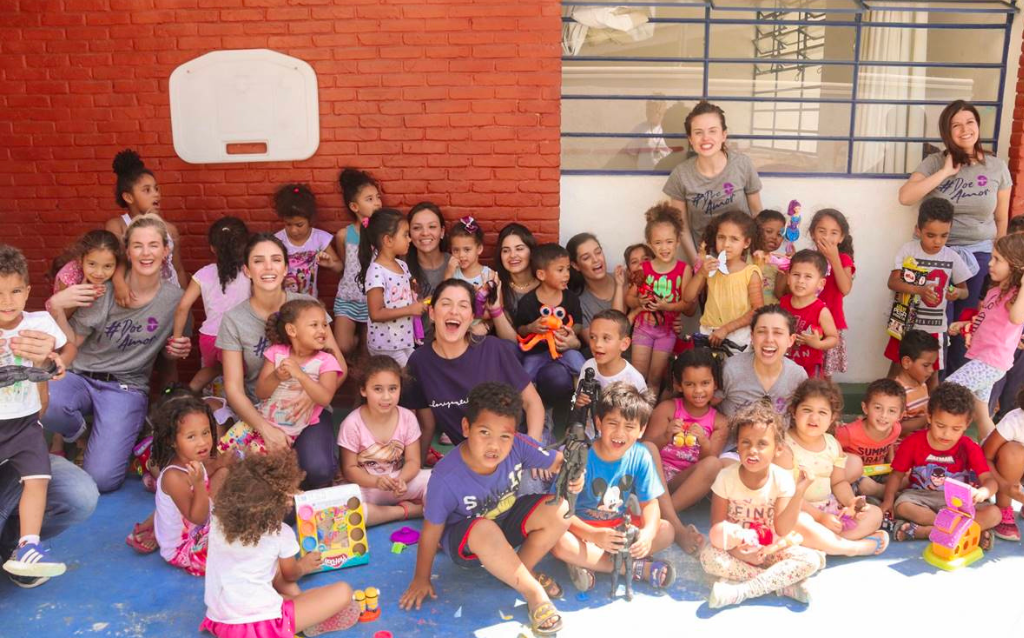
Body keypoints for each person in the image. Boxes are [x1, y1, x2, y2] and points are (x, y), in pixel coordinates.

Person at [398, 383, 579, 637]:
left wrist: (574, 474)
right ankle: (534, 593)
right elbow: (430, 531)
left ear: (514, 434)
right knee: (483, 528)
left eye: (504, 436)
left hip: (504, 523)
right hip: (468, 542)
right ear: (465, 428)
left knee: (560, 508)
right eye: (484, 432)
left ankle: (520, 572)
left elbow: (559, 463)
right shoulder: (445, 477)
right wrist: (421, 578)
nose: (494, 445)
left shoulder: (519, 445)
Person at [43, 214, 189, 493]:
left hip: (126, 387)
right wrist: (56, 308)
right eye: (138, 245)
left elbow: (171, 354)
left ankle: (109, 433)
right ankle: (81, 433)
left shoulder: (175, 300)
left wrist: (178, 350)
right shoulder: (104, 291)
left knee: (102, 481)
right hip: (81, 377)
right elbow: (73, 341)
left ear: (166, 250)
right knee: (46, 400)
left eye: (153, 245)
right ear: (128, 251)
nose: (146, 253)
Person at [217, 234, 345, 488]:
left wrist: (312, 397)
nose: (268, 268)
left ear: (286, 268)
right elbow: (233, 389)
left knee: (317, 471)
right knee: (242, 472)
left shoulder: (307, 307)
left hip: (309, 414)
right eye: (258, 261)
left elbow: (339, 366)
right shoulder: (234, 319)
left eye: (276, 260)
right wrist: (266, 429)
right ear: (247, 270)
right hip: (264, 412)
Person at [898, 100, 1012, 372]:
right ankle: (932, 386)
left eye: (969, 122)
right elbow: (905, 196)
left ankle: (956, 390)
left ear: (978, 126)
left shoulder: (996, 167)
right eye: (956, 125)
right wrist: (945, 172)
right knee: (932, 326)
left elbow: (1001, 219)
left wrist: (1002, 259)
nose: (964, 130)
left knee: (968, 323)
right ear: (946, 132)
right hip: (936, 255)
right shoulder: (935, 162)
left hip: (980, 256)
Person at [201, 451, 359, 638]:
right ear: (279, 502)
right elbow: (290, 573)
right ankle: (306, 619)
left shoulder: (217, 521)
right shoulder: (280, 532)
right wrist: (304, 565)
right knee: (343, 592)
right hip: (266, 625)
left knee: (278, 581)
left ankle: (301, 608)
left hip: (222, 622)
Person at [553, 382, 676, 593]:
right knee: (558, 541)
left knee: (666, 530)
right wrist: (593, 535)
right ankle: (633, 567)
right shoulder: (581, 455)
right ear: (599, 423)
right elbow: (558, 511)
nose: (620, 433)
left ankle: (590, 562)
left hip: (619, 527)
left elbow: (650, 504)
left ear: (641, 430)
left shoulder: (641, 455)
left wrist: (647, 534)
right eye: (613, 423)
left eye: (629, 426)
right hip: (581, 529)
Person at [404, 279, 544, 463]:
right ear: (431, 312)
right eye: (446, 304)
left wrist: (533, 450)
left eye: (463, 306)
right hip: (473, 458)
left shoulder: (493, 349)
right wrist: (416, 468)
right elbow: (425, 424)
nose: (454, 311)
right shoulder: (420, 361)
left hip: (521, 440)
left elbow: (533, 403)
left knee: (526, 487)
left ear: (471, 317)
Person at [700, 400, 822, 609]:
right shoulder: (726, 477)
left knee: (811, 559)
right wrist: (738, 551)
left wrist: (799, 491)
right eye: (745, 442)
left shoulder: (782, 479)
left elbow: (783, 529)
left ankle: (741, 591)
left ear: (778, 449)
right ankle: (781, 585)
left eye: (762, 444)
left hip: (771, 550)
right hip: (736, 551)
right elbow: (717, 530)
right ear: (736, 445)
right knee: (708, 558)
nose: (752, 450)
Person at [0, 245, 67, 579]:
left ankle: (28, 544)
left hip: (26, 421)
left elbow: (62, 351)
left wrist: (55, 361)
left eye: (14, 291)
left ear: (27, 291)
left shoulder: (39, 322)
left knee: (38, 479)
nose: (7, 301)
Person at [777, 380, 889, 557]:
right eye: (807, 410)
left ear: (832, 417)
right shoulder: (784, 447)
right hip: (797, 510)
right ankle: (850, 547)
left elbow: (838, 482)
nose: (814, 418)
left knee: (875, 513)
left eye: (822, 412)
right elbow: (787, 494)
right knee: (799, 522)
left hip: (828, 509)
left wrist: (851, 503)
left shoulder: (832, 444)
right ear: (793, 411)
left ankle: (824, 543)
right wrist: (819, 518)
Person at [880, 382, 999, 545]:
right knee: (903, 506)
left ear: (967, 423)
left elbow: (989, 480)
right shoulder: (912, 442)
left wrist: (984, 491)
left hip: (957, 503)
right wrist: (888, 500)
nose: (946, 434)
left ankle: (925, 531)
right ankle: (964, 532)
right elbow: (896, 475)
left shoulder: (969, 447)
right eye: (940, 425)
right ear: (929, 417)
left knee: (994, 513)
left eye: (956, 429)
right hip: (921, 497)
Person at [45, 230, 123, 457]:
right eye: (92, 265)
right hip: (62, 324)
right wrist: (76, 299)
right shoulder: (68, 277)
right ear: (81, 261)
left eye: (107, 267)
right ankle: (61, 440)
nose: (99, 272)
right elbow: (59, 318)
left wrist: (117, 283)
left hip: (90, 336)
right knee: (61, 369)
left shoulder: (112, 277)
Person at [662, 100, 763, 265]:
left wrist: (755, 255)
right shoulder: (681, 175)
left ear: (723, 135)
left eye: (712, 131)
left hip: (742, 260)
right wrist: (697, 261)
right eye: (698, 132)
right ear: (690, 139)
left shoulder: (742, 165)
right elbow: (682, 227)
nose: (705, 138)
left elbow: (757, 212)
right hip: (706, 261)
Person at [946, 232, 1024, 439]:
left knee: (948, 391)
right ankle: (989, 452)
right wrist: (964, 324)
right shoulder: (994, 292)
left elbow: (1017, 319)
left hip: (991, 362)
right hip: (982, 358)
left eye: (997, 259)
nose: (990, 264)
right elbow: (985, 320)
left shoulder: (1017, 297)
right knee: (982, 414)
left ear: (1016, 266)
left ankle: (943, 439)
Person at [884, 198, 970, 381]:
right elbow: (893, 282)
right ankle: (888, 405)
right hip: (906, 324)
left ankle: (930, 409)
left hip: (935, 327)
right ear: (918, 230)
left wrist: (956, 293)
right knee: (897, 368)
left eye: (944, 235)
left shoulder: (952, 257)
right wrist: (919, 290)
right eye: (930, 235)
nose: (937, 241)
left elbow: (965, 291)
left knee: (931, 375)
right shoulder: (909, 250)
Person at [338, 356, 430, 526]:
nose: (386, 397)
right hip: (367, 487)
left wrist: (402, 479)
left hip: (399, 483)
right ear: (363, 390)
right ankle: (405, 511)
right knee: (341, 509)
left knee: (434, 480)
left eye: (393, 388)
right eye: (378, 389)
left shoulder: (408, 417)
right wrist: (376, 482)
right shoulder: (352, 423)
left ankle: (411, 507)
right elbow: (349, 469)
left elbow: (413, 461)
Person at [151, 394, 229, 576]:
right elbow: (198, 518)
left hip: (201, 527)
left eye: (206, 432)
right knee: (241, 553)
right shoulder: (173, 477)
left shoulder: (192, 458)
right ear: (172, 441)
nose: (202, 442)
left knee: (225, 473)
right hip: (184, 548)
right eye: (191, 437)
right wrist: (199, 483)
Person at [172, 217, 251, 393]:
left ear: (212, 248)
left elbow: (182, 307)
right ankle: (235, 411)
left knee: (212, 373)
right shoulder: (251, 272)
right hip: (239, 337)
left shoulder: (203, 273)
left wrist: (177, 338)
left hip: (209, 337)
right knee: (240, 378)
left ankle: (191, 394)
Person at [644, 349, 727, 514]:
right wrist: (665, 436)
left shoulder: (720, 422)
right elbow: (645, 449)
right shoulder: (668, 409)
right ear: (679, 385)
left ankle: (665, 515)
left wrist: (703, 441)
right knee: (648, 448)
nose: (698, 391)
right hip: (656, 476)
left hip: (684, 483)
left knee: (714, 464)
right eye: (690, 384)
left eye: (705, 383)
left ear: (715, 383)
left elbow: (708, 465)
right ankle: (669, 518)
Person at [627, 204, 694, 390]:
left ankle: (647, 415)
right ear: (649, 243)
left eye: (669, 241)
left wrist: (667, 306)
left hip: (667, 331)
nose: (664, 248)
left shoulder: (683, 270)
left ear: (678, 241)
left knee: (656, 378)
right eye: (658, 243)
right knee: (637, 375)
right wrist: (639, 302)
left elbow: (687, 305)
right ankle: (634, 415)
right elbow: (629, 299)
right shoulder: (644, 269)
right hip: (643, 328)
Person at [105, 149, 187, 296]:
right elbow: (117, 263)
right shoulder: (117, 226)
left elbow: (178, 268)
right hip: (137, 296)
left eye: (156, 189)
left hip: (169, 297)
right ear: (128, 197)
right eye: (147, 190)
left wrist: (185, 304)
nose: (156, 194)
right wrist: (119, 284)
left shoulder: (170, 229)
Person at [685, 210, 763, 349]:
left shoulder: (750, 273)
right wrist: (701, 273)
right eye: (721, 237)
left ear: (746, 242)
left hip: (738, 336)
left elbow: (757, 309)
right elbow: (688, 297)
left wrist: (726, 329)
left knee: (733, 371)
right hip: (708, 332)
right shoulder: (710, 268)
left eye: (734, 239)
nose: (726, 244)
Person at [792, 208, 855, 380]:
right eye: (822, 231)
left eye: (834, 233)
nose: (827, 237)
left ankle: (828, 405)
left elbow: (845, 288)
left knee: (824, 375)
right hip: (806, 322)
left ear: (841, 238)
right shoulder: (808, 259)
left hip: (830, 326)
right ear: (812, 233)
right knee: (802, 369)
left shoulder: (844, 259)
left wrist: (834, 258)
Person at [356, 209, 423, 366]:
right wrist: (410, 310)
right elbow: (376, 313)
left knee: (416, 373)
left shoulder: (402, 265)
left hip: (404, 340)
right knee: (412, 377)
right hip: (385, 344)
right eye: (405, 235)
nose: (410, 239)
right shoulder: (376, 272)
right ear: (388, 240)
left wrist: (418, 299)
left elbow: (404, 298)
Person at [718, 304, 807, 419]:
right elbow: (706, 409)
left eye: (778, 333)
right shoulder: (730, 370)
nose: (769, 339)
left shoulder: (797, 376)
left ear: (790, 340)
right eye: (761, 332)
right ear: (752, 337)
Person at [514, 243, 586, 383]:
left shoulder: (571, 298)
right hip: (536, 352)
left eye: (567, 269)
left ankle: (584, 401)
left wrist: (569, 331)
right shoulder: (528, 301)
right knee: (525, 378)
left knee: (580, 367)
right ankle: (529, 404)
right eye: (560, 270)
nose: (566, 274)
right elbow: (520, 329)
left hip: (564, 349)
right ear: (541, 274)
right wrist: (531, 328)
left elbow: (578, 323)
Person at [333, 167, 383, 356]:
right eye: (369, 199)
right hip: (348, 298)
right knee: (343, 347)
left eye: (378, 197)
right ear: (354, 207)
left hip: (374, 300)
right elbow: (345, 268)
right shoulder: (344, 235)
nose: (377, 203)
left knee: (367, 349)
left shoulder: (383, 235)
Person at [835, 378, 905, 499]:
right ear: (865, 408)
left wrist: (892, 463)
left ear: (900, 415)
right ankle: (885, 492)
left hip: (880, 470)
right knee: (866, 485)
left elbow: (890, 446)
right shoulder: (848, 433)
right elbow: (830, 446)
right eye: (878, 408)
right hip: (858, 475)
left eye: (892, 411)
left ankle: (887, 491)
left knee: (906, 476)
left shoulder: (896, 429)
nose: (884, 416)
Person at [273, 183, 342, 297]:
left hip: (309, 300)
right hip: (282, 300)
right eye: (288, 224)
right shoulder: (277, 240)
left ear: (310, 220)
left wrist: (330, 264)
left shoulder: (319, 238)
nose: (294, 230)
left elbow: (339, 267)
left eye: (299, 225)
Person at [778, 250, 838, 378]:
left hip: (809, 370)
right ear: (788, 278)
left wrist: (818, 344)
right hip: (783, 366)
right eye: (796, 274)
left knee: (807, 397)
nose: (800, 281)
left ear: (821, 283)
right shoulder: (783, 303)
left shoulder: (821, 310)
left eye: (808, 276)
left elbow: (834, 338)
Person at [566, 233, 626, 348]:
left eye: (598, 252)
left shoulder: (624, 279)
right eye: (586, 258)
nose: (595, 259)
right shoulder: (578, 303)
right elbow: (598, 346)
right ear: (575, 265)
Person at [981, 386, 1024, 541]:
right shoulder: (1016, 421)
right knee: (1013, 452)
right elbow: (985, 457)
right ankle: (1003, 508)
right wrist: (1005, 486)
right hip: (999, 473)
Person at [445, 216, 496, 334]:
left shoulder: (489, 275)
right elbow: (443, 297)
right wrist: (448, 272)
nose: (461, 255)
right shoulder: (453, 272)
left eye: (467, 250)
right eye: (456, 250)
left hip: (478, 330)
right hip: (454, 328)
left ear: (479, 249)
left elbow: (494, 311)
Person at [405, 202, 449, 339]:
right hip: (412, 344)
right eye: (417, 228)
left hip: (449, 341)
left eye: (432, 227)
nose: (425, 233)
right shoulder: (401, 267)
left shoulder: (455, 264)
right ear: (409, 234)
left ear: (442, 232)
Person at [494, 223, 539, 341]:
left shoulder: (547, 282)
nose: (512, 255)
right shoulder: (498, 287)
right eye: (506, 250)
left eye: (519, 249)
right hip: (511, 350)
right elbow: (510, 341)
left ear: (531, 251)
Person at [889, 330, 940, 434]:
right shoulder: (897, 392)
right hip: (903, 447)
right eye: (926, 365)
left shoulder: (922, 385)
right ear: (907, 362)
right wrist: (929, 417)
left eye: (932, 365)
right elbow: (898, 428)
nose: (931, 370)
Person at [753, 209, 786, 305]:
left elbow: (779, 294)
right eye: (769, 231)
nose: (774, 237)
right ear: (756, 231)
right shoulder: (744, 258)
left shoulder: (779, 262)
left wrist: (788, 267)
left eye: (779, 234)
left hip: (771, 313)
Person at [622, 243, 654, 324]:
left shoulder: (662, 279)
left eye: (646, 259)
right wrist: (638, 302)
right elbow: (628, 299)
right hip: (642, 326)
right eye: (634, 262)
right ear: (629, 271)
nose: (641, 263)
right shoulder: (637, 283)